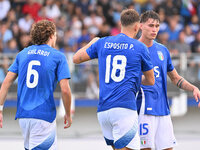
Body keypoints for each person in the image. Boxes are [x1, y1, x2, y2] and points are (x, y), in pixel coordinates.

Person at [73, 9, 155, 150]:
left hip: (103, 111)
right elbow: (151, 80)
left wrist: (92, 42)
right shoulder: (140, 47)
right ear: (137, 27)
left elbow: (76, 58)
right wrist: (132, 78)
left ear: (120, 24)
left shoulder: (103, 42)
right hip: (124, 109)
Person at [0, 20, 72, 150]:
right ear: (51, 36)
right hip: (43, 116)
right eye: (55, 35)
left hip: (23, 117)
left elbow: (6, 83)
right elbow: (65, 90)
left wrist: (0, 109)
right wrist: (67, 113)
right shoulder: (58, 56)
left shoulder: (22, 54)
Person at [137, 10, 200, 150]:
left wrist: (194, 88)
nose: (154, 29)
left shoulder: (163, 50)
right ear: (141, 26)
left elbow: (175, 78)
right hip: (143, 109)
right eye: (151, 25)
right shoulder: (133, 48)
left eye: (157, 26)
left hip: (163, 110)